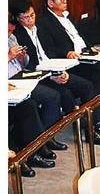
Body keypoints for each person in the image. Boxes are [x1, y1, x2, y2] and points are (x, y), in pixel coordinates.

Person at [10, 0, 100, 146]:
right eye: (25, 17)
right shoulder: (18, 35)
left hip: (53, 68)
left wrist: (60, 68)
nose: (30, 20)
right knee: (62, 94)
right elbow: (30, 65)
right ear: (18, 19)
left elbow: (50, 51)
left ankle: (95, 125)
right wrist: (51, 75)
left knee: (87, 84)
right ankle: (47, 138)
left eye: (32, 15)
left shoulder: (39, 28)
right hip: (39, 75)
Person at [8, 17, 64, 170]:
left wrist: (22, 57)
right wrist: (8, 56)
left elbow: (25, 63)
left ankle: (40, 142)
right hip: (9, 83)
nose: (10, 33)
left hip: (20, 78)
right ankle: (25, 155)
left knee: (48, 97)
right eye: (7, 30)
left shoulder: (12, 38)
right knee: (27, 105)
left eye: (11, 30)